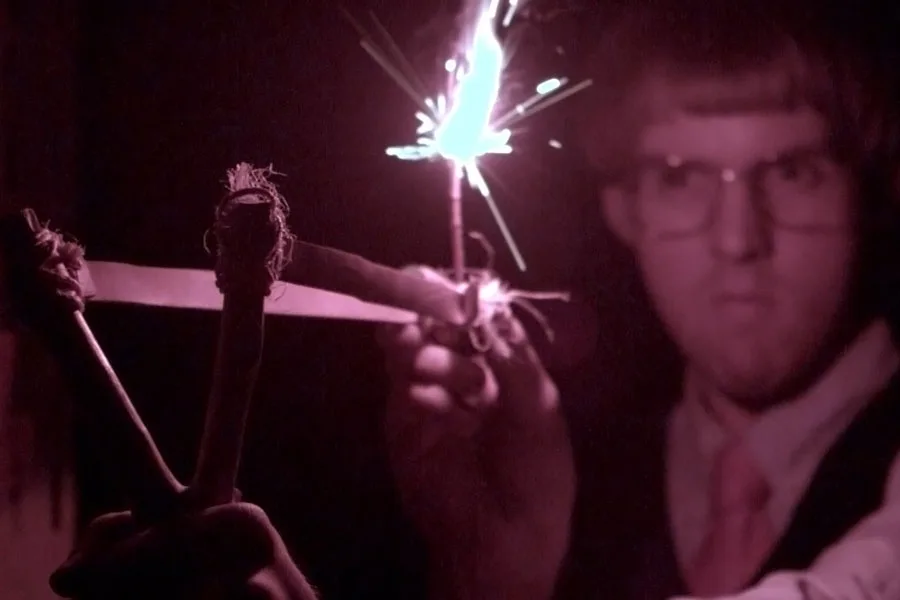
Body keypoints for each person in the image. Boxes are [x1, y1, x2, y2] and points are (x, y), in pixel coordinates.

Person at [378, 1, 900, 599]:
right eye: (680, 177)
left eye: (793, 172)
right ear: (623, 209)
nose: (738, 240)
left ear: (871, 191)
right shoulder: (569, 478)